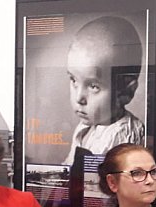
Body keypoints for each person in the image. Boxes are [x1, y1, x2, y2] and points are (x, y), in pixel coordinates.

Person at [62, 16, 145, 166]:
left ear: (126, 93)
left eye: (93, 86)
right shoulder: (87, 125)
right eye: (74, 80)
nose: (79, 98)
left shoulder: (121, 136)